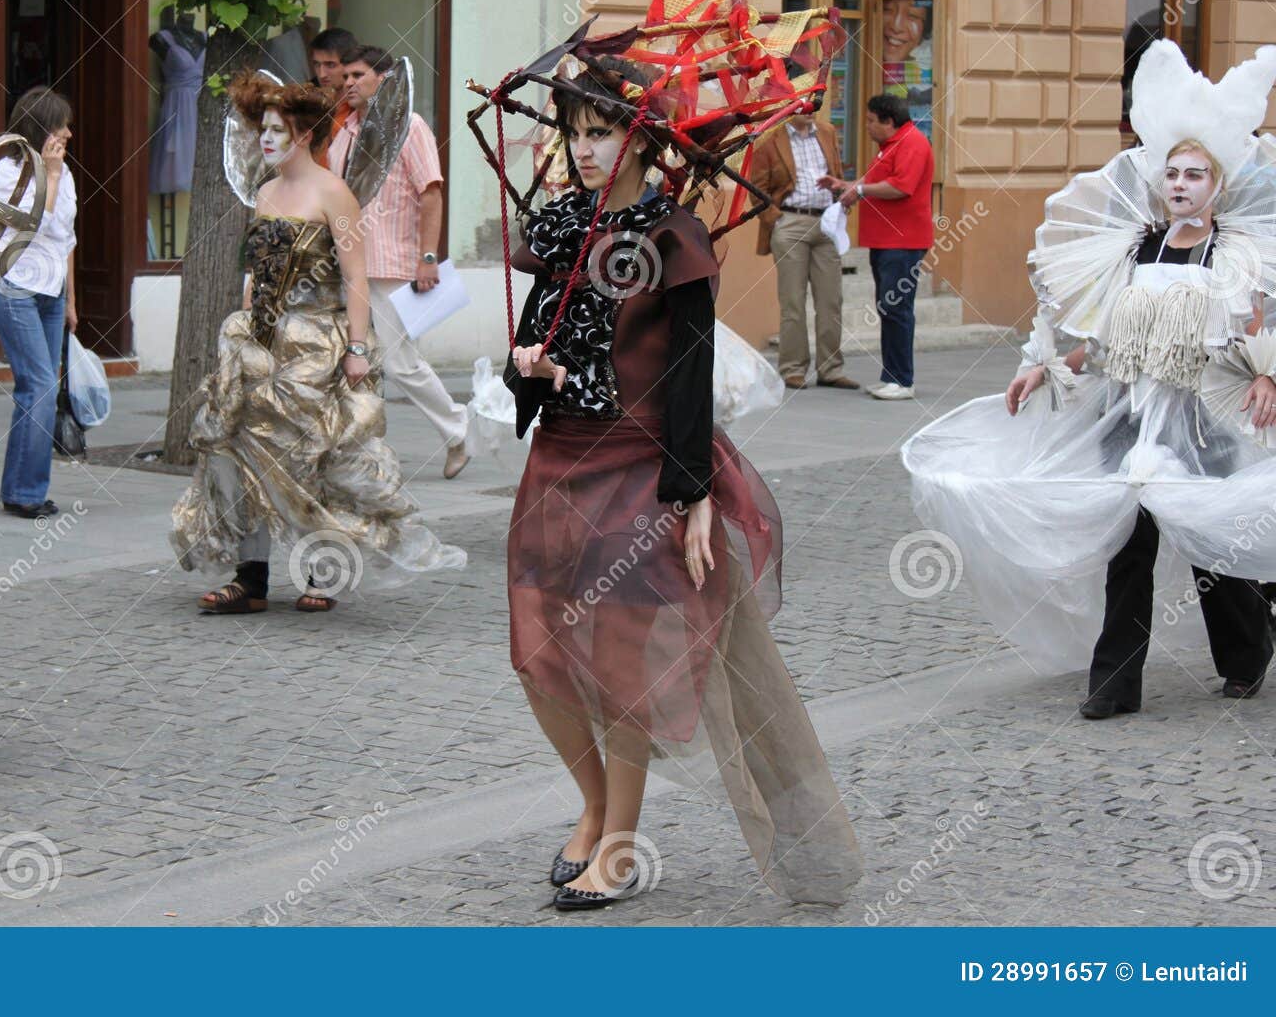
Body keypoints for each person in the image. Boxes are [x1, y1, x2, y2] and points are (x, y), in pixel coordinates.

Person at [501, 59, 860, 911]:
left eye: (602, 131)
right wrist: (527, 369)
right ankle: (591, 805)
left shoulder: (673, 236)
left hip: (637, 467)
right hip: (558, 462)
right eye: (575, 132)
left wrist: (692, 491)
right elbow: (531, 353)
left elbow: (690, 373)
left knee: (622, 659)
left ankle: (619, 848)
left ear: (642, 138)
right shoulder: (558, 227)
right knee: (536, 653)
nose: (586, 149)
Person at [903, 40, 1276, 718]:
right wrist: (1048, 366)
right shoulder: (1136, 248)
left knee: (1209, 541)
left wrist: (1266, 378)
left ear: (1217, 184)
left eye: (1196, 174)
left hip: (1203, 418)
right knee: (1127, 542)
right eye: (1174, 174)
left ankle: (1248, 652)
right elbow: (1106, 339)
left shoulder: (1237, 253)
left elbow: (1257, 328)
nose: (1182, 184)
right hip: (1130, 412)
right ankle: (1114, 681)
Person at [171, 73, 463, 614]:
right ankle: (250, 580)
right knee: (245, 452)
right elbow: (257, 271)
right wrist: (245, 324)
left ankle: (320, 576)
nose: (266, 139)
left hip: (316, 344)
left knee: (312, 460)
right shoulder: (263, 192)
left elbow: (356, 277)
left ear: (303, 135)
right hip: (260, 343)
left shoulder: (336, 194)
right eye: (263, 129)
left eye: (277, 130)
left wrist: (356, 349)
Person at [329, 45, 470, 478]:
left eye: (358, 75)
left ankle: (457, 430)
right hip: (347, 263)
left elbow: (431, 193)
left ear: (384, 79)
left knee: (399, 362)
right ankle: (357, 449)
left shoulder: (409, 126)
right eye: (345, 76)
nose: (349, 82)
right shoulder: (345, 131)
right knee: (349, 358)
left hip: (392, 264)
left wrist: (428, 257)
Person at [0, 86, 77, 519]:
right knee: (38, 385)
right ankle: (25, 492)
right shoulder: (9, 171)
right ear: (42, 129)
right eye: (61, 125)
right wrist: (52, 175)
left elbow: (65, 241)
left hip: (51, 289)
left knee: (41, 387)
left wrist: (71, 300)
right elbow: (31, 223)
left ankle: (22, 488)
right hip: (15, 285)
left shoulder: (68, 173)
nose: (69, 133)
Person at [819, 93, 934, 400]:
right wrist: (846, 186)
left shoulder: (912, 143)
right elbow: (878, 180)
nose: (867, 126)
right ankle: (891, 376)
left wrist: (860, 190)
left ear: (889, 121)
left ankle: (902, 380)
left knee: (896, 308)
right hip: (886, 240)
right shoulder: (891, 147)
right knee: (888, 307)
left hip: (903, 240)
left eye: (871, 120)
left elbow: (901, 187)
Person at [749, 111, 858, 389]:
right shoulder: (769, 139)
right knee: (793, 302)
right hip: (791, 221)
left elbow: (837, 173)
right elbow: (756, 188)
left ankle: (831, 368)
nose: (811, 111)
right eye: (805, 105)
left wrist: (840, 200)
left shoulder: (827, 132)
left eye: (813, 106)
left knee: (831, 300)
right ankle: (793, 369)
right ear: (791, 106)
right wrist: (777, 220)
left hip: (826, 222)